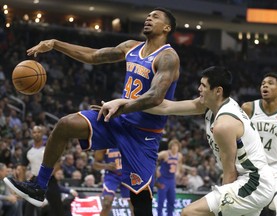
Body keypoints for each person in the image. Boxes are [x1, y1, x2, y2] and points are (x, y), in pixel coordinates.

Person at [4, 7, 179, 216]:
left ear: (166, 27)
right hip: (118, 120)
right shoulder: (132, 47)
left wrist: (120, 107)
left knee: (140, 203)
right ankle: (39, 186)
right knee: (65, 125)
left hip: (143, 134)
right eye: (148, 15)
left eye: (155, 16)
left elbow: (155, 96)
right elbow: (93, 55)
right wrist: (55, 44)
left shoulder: (168, 57)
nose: (149, 18)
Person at [101, 66, 276, 215]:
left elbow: (230, 173)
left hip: (254, 183)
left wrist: (222, 204)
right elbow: (167, 106)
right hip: (250, 181)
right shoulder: (209, 105)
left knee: (189, 212)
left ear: (218, 91)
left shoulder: (225, 125)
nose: (198, 88)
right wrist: (123, 102)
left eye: (203, 85)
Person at [241, 72, 277, 216]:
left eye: (270, 83)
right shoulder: (248, 108)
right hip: (252, 169)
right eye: (262, 84)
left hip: (276, 168)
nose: (265, 85)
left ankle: (272, 198)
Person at [16, 125, 65, 216]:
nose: (37, 134)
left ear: (42, 134)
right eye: (34, 132)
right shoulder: (27, 151)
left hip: (49, 180)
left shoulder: (48, 148)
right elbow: (23, 168)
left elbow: (58, 164)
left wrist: (47, 176)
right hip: (35, 180)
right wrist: (22, 184)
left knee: (57, 207)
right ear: (32, 134)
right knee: (29, 208)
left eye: (39, 132)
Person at [94, 149, 134, 216]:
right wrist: (106, 166)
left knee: (134, 205)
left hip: (128, 175)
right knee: (107, 203)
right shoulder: (105, 145)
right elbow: (95, 164)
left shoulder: (130, 142)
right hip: (112, 176)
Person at [156, 138, 183, 216]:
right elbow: (154, 158)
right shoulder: (165, 153)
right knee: (161, 201)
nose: (174, 148)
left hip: (171, 180)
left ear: (178, 147)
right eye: (173, 146)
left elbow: (179, 164)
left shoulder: (179, 155)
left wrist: (178, 172)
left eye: (176, 146)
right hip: (162, 179)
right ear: (170, 147)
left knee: (171, 200)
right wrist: (156, 170)